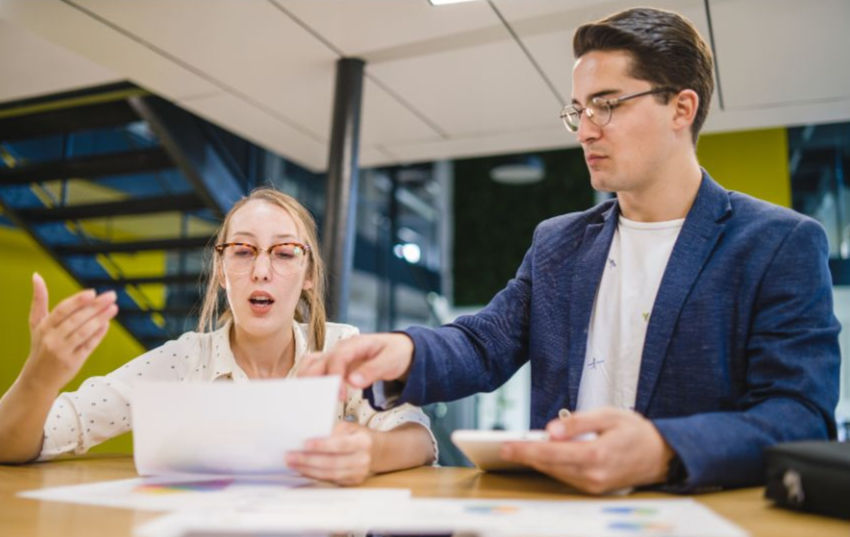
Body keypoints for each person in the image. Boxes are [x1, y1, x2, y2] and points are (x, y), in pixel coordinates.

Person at [300, 7, 840, 493]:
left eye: (605, 106)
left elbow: (798, 415)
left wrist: (663, 450)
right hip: (559, 524)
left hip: (703, 534)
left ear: (682, 108)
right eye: (578, 110)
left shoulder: (777, 243)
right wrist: (405, 353)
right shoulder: (558, 242)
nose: (584, 131)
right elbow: (486, 345)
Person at [0, 187, 436, 485]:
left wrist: (371, 452)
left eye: (285, 253)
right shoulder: (180, 362)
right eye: (243, 251)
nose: (261, 270)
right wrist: (40, 376)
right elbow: (15, 444)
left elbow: (417, 437)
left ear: (307, 275)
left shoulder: (343, 346)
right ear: (222, 272)